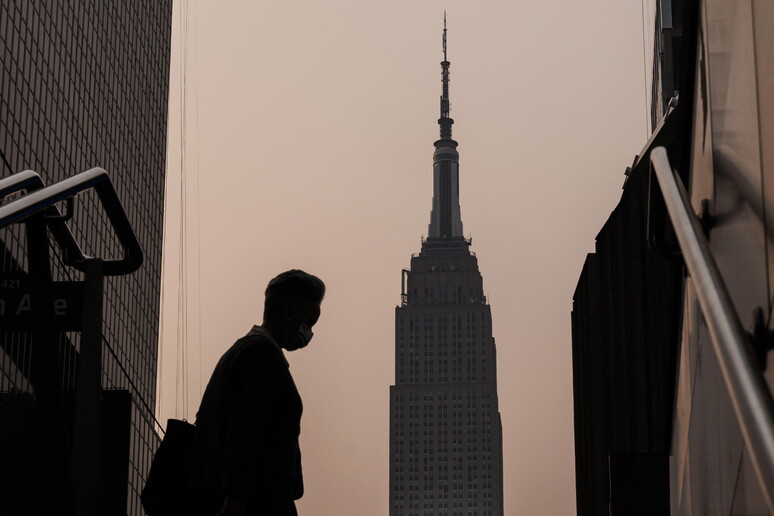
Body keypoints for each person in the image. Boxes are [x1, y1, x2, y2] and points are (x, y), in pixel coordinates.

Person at [188, 270, 325, 516]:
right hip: (258, 502)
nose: (309, 333)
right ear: (290, 312)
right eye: (308, 322)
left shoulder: (243, 351)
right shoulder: (262, 356)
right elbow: (244, 429)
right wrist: (236, 498)